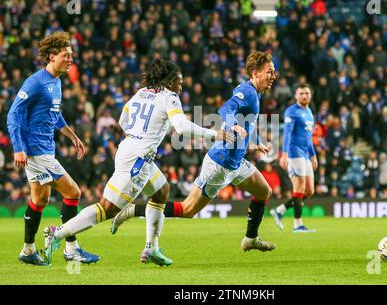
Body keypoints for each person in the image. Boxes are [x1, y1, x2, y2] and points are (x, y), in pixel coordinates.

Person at [43, 59, 233, 265]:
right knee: (107, 208)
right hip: (138, 160)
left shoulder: (141, 92)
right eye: (179, 81)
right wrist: (216, 134)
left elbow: (123, 120)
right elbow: (182, 127)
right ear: (169, 81)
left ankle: (152, 248)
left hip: (130, 149)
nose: (181, 85)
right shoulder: (170, 97)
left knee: (161, 191)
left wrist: (140, 134)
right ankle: (57, 234)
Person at [112, 51, 277, 252]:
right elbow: (226, 109)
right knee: (188, 209)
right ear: (256, 73)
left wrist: (256, 141)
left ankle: (251, 238)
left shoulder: (255, 94)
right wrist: (232, 125)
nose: (273, 76)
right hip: (221, 163)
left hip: (237, 161)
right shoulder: (248, 91)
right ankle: (134, 210)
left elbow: (247, 122)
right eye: (270, 71)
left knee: (264, 191)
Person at [6, 32, 99, 265]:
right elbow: (13, 114)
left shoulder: (56, 82)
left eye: (72, 55)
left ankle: (28, 250)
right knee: (73, 193)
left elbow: (54, 115)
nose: (71, 59)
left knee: (40, 200)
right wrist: (18, 148)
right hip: (36, 150)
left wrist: (73, 136)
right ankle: (71, 248)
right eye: (66, 55)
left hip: (46, 148)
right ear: (52, 56)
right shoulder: (36, 82)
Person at [269, 84, 318, 232]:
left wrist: (313, 154)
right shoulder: (291, 111)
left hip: (305, 154)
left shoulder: (309, 113)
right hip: (294, 153)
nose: (304, 96)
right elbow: (288, 134)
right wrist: (284, 154)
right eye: (301, 93)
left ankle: (280, 210)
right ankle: (298, 224)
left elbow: (308, 138)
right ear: (296, 96)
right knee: (299, 188)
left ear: (310, 95)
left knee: (309, 191)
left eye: (307, 93)